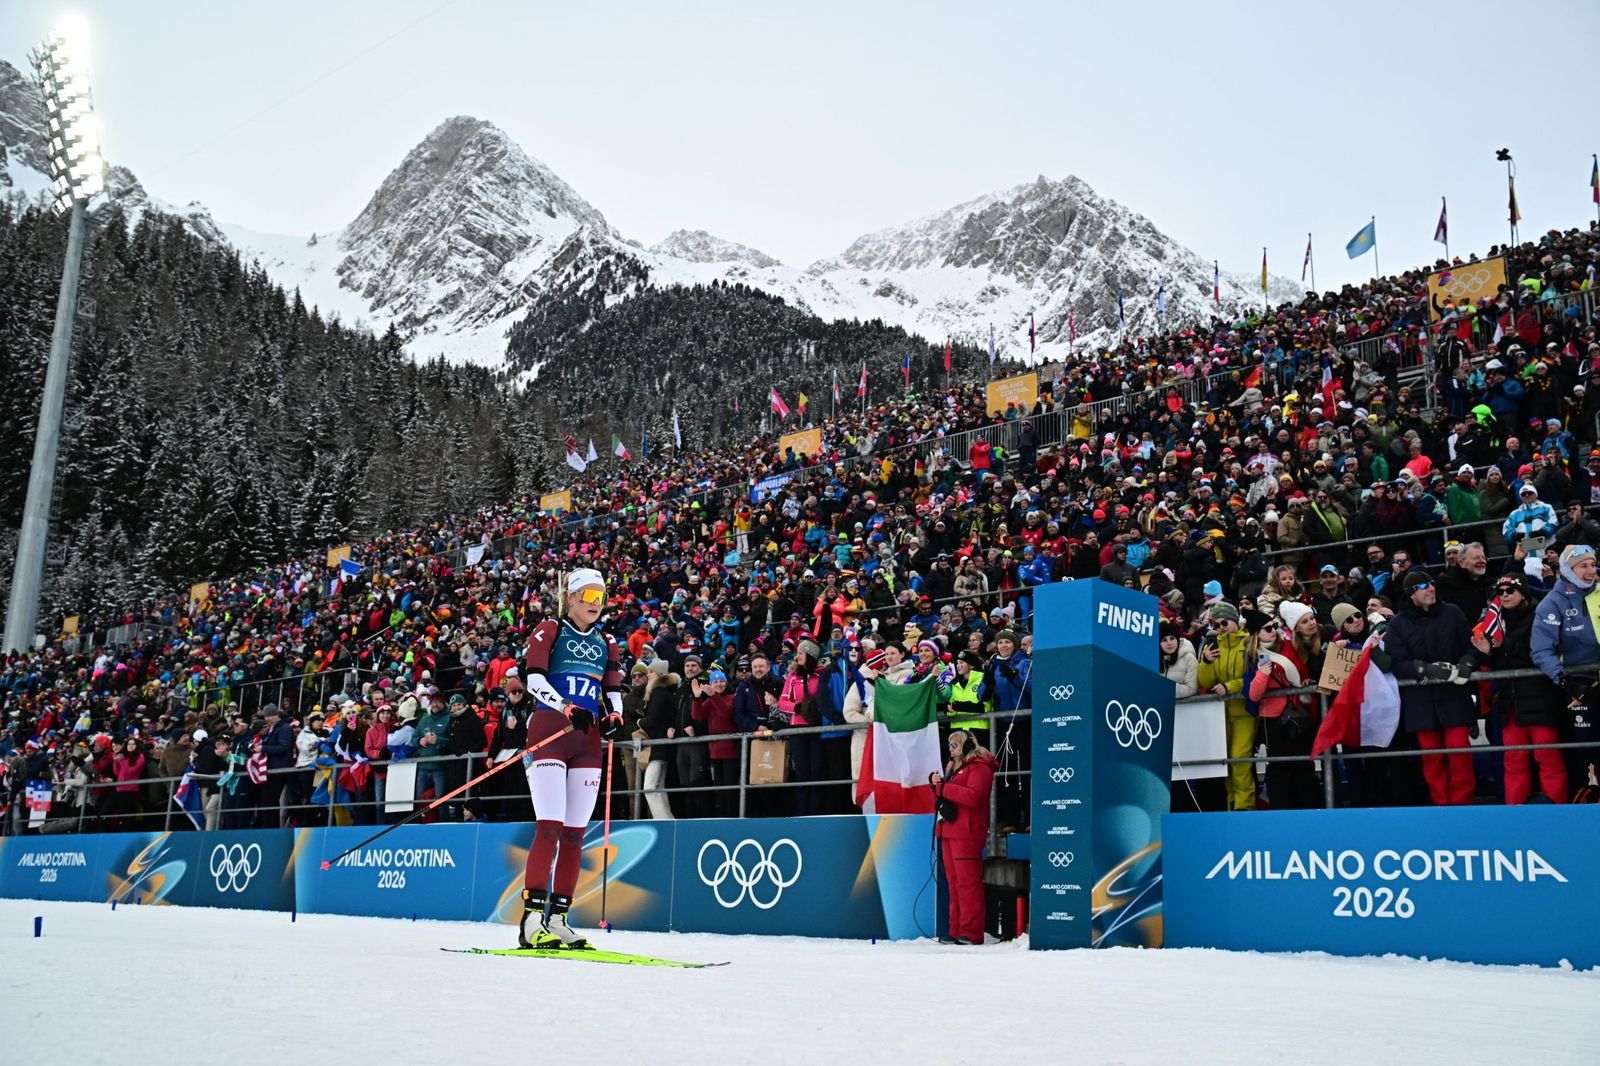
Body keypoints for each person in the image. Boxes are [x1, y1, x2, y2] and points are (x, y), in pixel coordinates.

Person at [516, 568, 627, 949]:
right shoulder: (551, 629)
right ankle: (531, 921)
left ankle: (559, 918)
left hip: (587, 740)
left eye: (601, 596)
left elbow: (612, 689)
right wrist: (565, 708)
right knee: (549, 826)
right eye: (589, 597)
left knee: (575, 834)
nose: (596, 604)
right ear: (572, 598)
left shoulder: (606, 641)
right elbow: (532, 680)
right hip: (551, 731)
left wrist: (615, 716)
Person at [1384, 570, 1478, 806]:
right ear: (1411, 594)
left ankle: (1463, 808)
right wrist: (1424, 668)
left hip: (1454, 697)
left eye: (1432, 583)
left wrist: (1467, 663)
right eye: (1424, 586)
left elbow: (1470, 645)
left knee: (1460, 755)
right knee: (1432, 760)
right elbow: (1396, 662)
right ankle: (1441, 809)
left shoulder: (1452, 612)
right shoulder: (1398, 624)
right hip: (1421, 703)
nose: (1431, 588)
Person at [1476, 574, 1567, 804]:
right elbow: (1497, 660)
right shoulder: (1495, 622)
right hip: (1510, 703)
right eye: (1500, 591)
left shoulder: (1541, 614)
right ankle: (1516, 816)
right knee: (1513, 760)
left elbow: (1538, 654)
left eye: (1510, 590)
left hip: (1541, 699)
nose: (1504, 595)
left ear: (1523, 593)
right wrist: (1486, 651)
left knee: (1548, 758)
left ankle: (1557, 815)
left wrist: (1502, 645)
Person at [1530, 545, 1600, 794]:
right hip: (1579, 685)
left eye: (1593, 564)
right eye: (1584, 566)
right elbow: (1541, 650)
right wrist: (1563, 679)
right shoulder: (1552, 603)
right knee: (1587, 750)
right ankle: (1589, 800)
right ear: (1569, 570)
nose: (1591, 571)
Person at [1245, 605, 1321, 809]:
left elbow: (1301, 672)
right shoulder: (1253, 655)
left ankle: (1309, 809)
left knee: (1303, 765)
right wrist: (1262, 673)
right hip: (1273, 720)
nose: (1274, 631)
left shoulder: (1289, 646)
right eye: (1268, 628)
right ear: (1256, 634)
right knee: (1279, 768)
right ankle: (1282, 811)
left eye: (1275, 626)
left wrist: (1304, 683)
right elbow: (1253, 694)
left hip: (1298, 714)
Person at [933, 729, 996, 945]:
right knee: (954, 883)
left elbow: (973, 796)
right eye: (949, 745)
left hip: (967, 833)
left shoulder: (980, 768)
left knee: (968, 884)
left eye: (955, 745)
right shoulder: (954, 768)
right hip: (950, 830)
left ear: (968, 745)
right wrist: (937, 786)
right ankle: (957, 928)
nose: (951, 749)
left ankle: (972, 932)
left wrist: (943, 788)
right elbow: (948, 794)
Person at [1197, 604, 1254, 811]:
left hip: (1244, 713)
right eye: (1216, 623)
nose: (1220, 627)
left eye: (1224, 622)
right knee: (1226, 764)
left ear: (1234, 621)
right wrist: (1206, 661)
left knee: (1240, 761)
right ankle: (1232, 806)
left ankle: (1244, 808)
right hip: (1220, 715)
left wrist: (1229, 687)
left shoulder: (1247, 642)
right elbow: (1204, 681)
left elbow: (1251, 677)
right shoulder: (1212, 646)